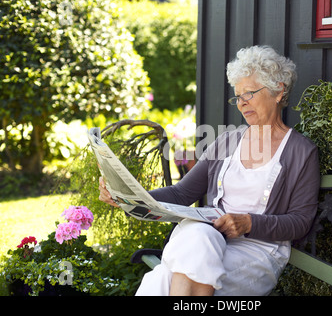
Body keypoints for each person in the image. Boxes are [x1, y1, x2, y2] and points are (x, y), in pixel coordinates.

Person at [98, 45, 320, 296]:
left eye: (249, 93)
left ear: (278, 90)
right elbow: (182, 193)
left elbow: (300, 222)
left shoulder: (301, 152)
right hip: (210, 240)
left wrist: (248, 223)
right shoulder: (227, 142)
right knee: (197, 237)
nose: (241, 103)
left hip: (257, 251)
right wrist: (128, 196)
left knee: (161, 280)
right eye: (237, 96)